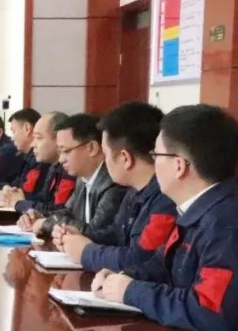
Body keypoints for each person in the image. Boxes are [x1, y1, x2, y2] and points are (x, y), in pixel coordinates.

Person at [93, 104, 238, 331]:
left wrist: (132, 291)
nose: (153, 163)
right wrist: (123, 277)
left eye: (156, 155)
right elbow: (163, 265)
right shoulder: (195, 210)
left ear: (179, 166)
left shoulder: (228, 225)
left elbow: (209, 310)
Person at [56, 102, 177, 272]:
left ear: (125, 158)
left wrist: (85, 252)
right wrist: (79, 236)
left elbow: (140, 260)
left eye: (105, 154)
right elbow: (115, 234)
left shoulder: (165, 199)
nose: (104, 162)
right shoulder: (133, 191)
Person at [19, 113, 126, 237]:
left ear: (92, 148)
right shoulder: (82, 178)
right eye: (60, 152)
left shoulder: (113, 183)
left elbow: (96, 231)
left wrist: (47, 223)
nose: (61, 159)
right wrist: (39, 216)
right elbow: (69, 211)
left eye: (66, 151)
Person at [12, 112, 77, 216]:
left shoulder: (71, 169)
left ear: (59, 139)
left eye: (39, 138)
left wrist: (19, 203)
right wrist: (16, 196)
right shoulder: (53, 166)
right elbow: (43, 200)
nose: (33, 144)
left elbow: (57, 210)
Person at [0, 108, 47, 204]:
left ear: (27, 129)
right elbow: (17, 186)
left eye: (14, 131)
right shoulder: (26, 157)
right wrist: (6, 189)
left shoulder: (42, 160)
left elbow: (26, 194)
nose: (12, 138)